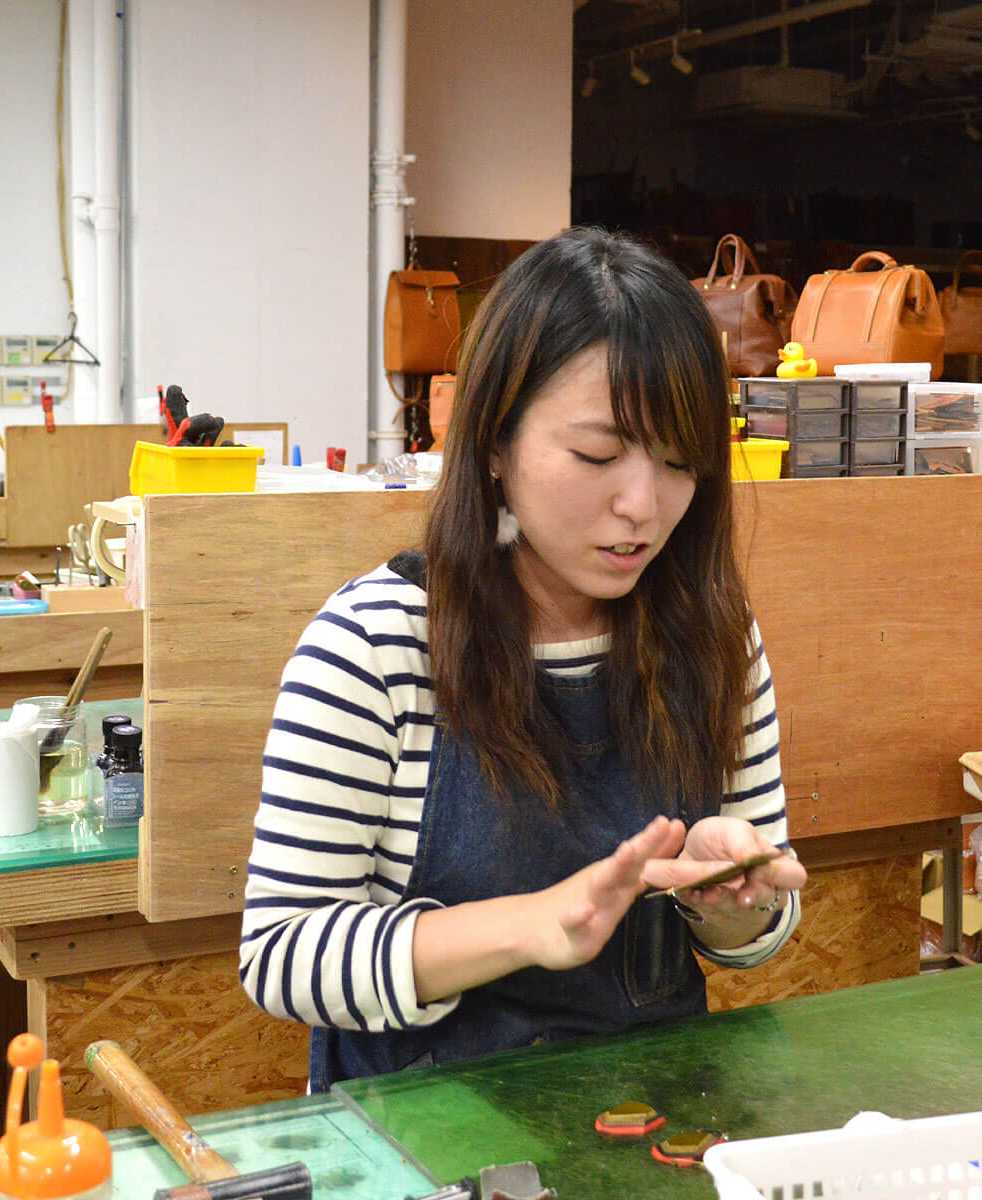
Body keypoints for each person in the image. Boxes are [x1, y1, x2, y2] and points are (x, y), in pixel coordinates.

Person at [239, 227, 808, 1088]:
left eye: (680, 460)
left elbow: (755, 939)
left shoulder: (714, 634)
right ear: (496, 444)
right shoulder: (375, 645)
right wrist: (533, 925)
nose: (643, 505)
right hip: (420, 1130)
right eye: (597, 454)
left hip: (645, 1117)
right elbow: (281, 952)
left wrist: (732, 897)